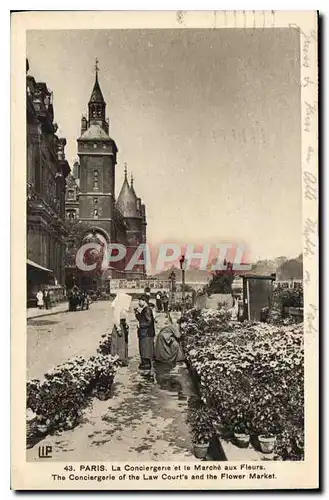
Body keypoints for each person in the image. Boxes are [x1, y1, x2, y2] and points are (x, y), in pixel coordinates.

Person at [135, 295, 156, 370]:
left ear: (144, 301)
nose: (139, 302)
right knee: (144, 348)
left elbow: (149, 321)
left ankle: (146, 364)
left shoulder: (147, 309)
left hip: (146, 333)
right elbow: (142, 319)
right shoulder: (145, 309)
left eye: (140, 301)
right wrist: (137, 314)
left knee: (145, 348)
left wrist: (140, 325)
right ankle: (145, 363)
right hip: (146, 333)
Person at [111, 293, 132, 366]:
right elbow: (116, 319)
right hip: (119, 326)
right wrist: (118, 328)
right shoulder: (118, 308)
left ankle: (123, 358)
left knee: (124, 342)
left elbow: (126, 318)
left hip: (123, 326)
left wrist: (127, 325)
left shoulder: (123, 308)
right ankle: (119, 359)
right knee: (119, 343)